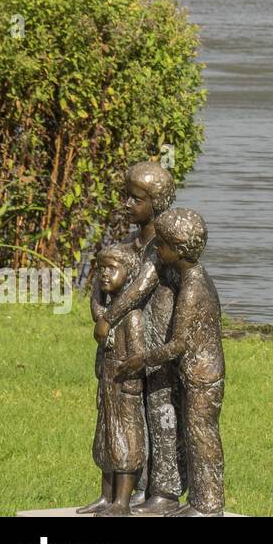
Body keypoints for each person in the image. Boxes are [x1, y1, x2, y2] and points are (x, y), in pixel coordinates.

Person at [118, 208, 225, 517]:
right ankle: (200, 502)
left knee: (202, 436)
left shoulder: (192, 289)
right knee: (195, 435)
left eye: (162, 245)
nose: (158, 249)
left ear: (177, 251)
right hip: (196, 372)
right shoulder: (194, 277)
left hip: (203, 375)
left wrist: (142, 359)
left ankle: (209, 505)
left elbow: (178, 344)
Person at [91, 161, 185, 514]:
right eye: (126, 197)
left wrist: (108, 319)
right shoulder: (130, 245)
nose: (127, 205)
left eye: (136, 199)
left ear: (157, 203)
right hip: (128, 345)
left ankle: (165, 492)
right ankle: (129, 490)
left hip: (159, 339)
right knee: (128, 416)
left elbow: (142, 287)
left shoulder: (165, 246)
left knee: (162, 410)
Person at [83, 241, 146, 516]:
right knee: (105, 440)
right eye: (100, 269)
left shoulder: (130, 317)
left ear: (129, 275)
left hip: (125, 389)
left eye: (111, 268)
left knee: (126, 444)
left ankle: (122, 501)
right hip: (107, 385)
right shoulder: (107, 316)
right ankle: (105, 496)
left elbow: (138, 356)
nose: (104, 274)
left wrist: (129, 384)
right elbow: (97, 312)